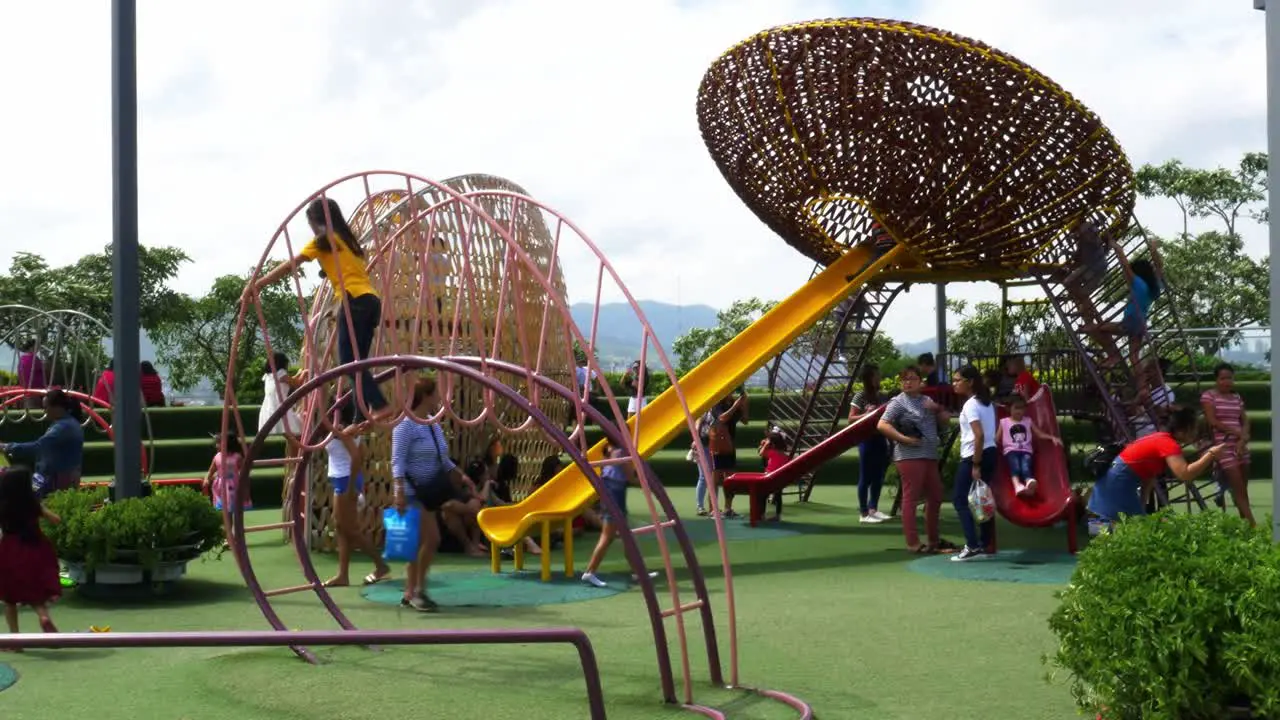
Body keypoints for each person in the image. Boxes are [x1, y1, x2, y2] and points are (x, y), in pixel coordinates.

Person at [246, 198, 390, 422]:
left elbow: (291, 264)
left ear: (316, 221)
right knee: (357, 363)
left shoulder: (322, 241)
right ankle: (360, 416)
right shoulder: (347, 241)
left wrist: (258, 285)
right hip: (371, 301)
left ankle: (379, 405)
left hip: (353, 302)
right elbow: (342, 266)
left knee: (348, 363)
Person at [391, 376, 485, 613]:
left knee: (421, 542)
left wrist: (462, 477)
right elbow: (397, 461)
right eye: (436, 393)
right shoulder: (405, 425)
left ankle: (411, 591)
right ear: (426, 396)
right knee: (430, 539)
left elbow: (443, 459)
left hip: (431, 491)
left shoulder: (432, 423)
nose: (440, 397)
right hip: (414, 492)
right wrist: (399, 493)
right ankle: (417, 591)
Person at [1089, 406, 1223, 525]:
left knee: (1125, 529)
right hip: (1118, 486)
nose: (1196, 433)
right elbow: (1184, 474)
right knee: (1133, 532)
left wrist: (1141, 506)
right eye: (1193, 429)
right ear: (1182, 431)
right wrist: (1210, 454)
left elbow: (1149, 477)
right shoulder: (1167, 444)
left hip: (1113, 485)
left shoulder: (1159, 438)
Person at [877, 366, 957, 554]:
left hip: (929, 454)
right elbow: (881, 424)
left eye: (912, 379)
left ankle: (933, 540)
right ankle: (913, 542)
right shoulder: (898, 402)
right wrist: (904, 439)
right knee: (911, 498)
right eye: (904, 379)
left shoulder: (926, 400)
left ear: (920, 382)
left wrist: (937, 408)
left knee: (936, 495)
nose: (907, 382)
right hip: (909, 456)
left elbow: (945, 420)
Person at [321, 413, 390, 587]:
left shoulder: (341, 430)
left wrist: (352, 487)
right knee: (342, 528)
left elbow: (357, 457)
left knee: (350, 530)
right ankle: (343, 575)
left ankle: (381, 565)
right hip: (343, 478)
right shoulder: (345, 430)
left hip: (346, 480)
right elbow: (362, 453)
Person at [0, 466, 62, 637]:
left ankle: (15, 640)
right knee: (35, 594)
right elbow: (56, 519)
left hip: (9, 551)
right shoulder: (32, 504)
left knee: (10, 599)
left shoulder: (3, 506)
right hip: (35, 548)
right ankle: (43, 617)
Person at [1082, 253, 1164, 371]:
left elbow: (1125, 265)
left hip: (1131, 322)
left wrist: (1116, 247)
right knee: (1134, 358)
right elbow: (1159, 267)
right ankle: (1143, 387)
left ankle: (1113, 356)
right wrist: (1154, 249)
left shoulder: (1139, 283)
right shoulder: (1153, 287)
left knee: (1096, 328)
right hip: (1141, 324)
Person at [950, 365, 998, 562]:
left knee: (959, 500)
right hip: (990, 452)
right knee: (982, 498)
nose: (954, 384)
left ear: (969, 382)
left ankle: (972, 545)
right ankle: (985, 542)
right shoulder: (986, 403)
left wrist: (976, 464)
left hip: (974, 455)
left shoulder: (971, 405)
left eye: (957, 380)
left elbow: (978, 435)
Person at [0, 388, 84, 499]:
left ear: (57, 408)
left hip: (56, 480)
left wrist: (7, 447)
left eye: (46, 407)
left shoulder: (64, 427)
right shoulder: (65, 424)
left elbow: (38, 446)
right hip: (48, 476)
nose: (44, 411)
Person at [1200, 363, 1255, 526]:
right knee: (1238, 488)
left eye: (1229, 378)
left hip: (1240, 445)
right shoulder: (1209, 396)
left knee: (1243, 490)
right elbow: (1213, 421)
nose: (1226, 382)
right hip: (1222, 447)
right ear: (1216, 379)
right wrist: (1238, 434)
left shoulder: (1237, 397)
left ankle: (1244, 523)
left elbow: (1245, 420)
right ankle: (1252, 526)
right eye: (1223, 378)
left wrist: (1243, 439)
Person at [581, 441, 641, 588]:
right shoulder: (620, 452)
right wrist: (643, 480)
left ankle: (638, 572)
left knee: (627, 537)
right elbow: (630, 477)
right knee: (607, 537)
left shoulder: (609, 449)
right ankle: (590, 572)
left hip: (610, 493)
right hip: (615, 495)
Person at [849, 363, 890, 524]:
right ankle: (863, 512)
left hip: (881, 438)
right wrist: (866, 414)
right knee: (865, 477)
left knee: (878, 476)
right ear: (868, 378)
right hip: (866, 440)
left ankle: (874, 509)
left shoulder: (882, 396)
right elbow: (851, 418)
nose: (879, 378)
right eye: (876, 375)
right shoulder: (860, 396)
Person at [998, 394, 1063, 498]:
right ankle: (1017, 485)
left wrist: (1052, 437)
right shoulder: (1004, 422)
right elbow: (997, 438)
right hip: (1010, 450)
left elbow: (1039, 433)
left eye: (1022, 408)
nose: (1019, 411)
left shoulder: (1027, 420)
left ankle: (1029, 481)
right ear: (1009, 408)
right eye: (1016, 408)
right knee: (1015, 466)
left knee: (1026, 465)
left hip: (1026, 450)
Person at [480, 454, 541, 555]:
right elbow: (496, 503)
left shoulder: (496, 485)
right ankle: (529, 543)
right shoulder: (491, 486)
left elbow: (501, 503)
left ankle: (528, 543)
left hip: (498, 514)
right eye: (486, 473)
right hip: (494, 518)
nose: (489, 475)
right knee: (516, 519)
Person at [707, 388, 748, 518]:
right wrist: (736, 405)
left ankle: (728, 508)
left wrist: (744, 404)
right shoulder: (717, 404)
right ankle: (713, 509)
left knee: (730, 479)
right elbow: (722, 418)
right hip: (718, 444)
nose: (731, 392)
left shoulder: (734, 403)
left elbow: (745, 420)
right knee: (716, 478)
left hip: (730, 445)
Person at [204, 431, 253, 511]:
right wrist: (207, 479)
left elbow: (244, 473)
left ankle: (238, 523)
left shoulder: (237, 457)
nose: (216, 446)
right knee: (224, 510)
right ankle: (228, 523)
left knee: (236, 509)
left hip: (234, 485)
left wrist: (246, 489)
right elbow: (211, 471)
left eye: (218, 443)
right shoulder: (217, 457)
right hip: (220, 486)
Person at [757, 431, 791, 522]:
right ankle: (777, 515)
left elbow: (761, 453)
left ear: (773, 444)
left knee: (763, 495)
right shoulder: (784, 455)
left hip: (770, 477)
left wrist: (765, 445)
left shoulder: (773, 453)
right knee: (778, 496)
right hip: (780, 478)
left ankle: (762, 515)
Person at [16, 340, 45, 410]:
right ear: (31, 347)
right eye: (37, 346)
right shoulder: (34, 358)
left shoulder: (22, 358)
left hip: (26, 390)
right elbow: (44, 368)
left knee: (28, 409)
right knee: (34, 410)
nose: (39, 348)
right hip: (35, 391)